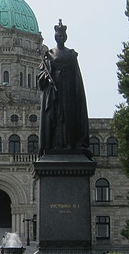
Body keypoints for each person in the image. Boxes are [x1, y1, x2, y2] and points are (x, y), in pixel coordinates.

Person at [38, 19, 91, 158]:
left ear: (65, 37)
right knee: (54, 119)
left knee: (69, 118)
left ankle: (70, 144)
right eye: (58, 35)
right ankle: (54, 145)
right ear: (55, 37)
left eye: (62, 35)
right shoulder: (48, 55)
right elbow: (42, 73)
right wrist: (45, 77)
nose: (60, 37)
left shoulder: (72, 54)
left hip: (68, 92)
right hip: (53, 94)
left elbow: (76, 77)